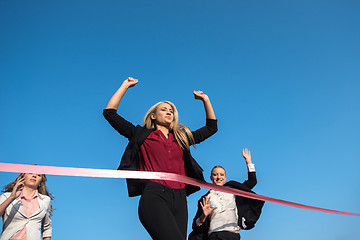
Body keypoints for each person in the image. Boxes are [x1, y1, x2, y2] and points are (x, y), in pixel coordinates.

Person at [103, 77, 217, 240]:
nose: (169, 111)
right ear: (153, 116)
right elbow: (110, 114)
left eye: (171, 110)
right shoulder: (141, 134)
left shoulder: (181, 138)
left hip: (180, 199)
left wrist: (205, 99)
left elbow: (212, 127)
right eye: (164, 109)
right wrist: (125, 86)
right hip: (154, 195)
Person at [189, 148, 264, 240]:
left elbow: (252, 182)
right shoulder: (206, 198)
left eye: (221, 174)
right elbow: (195, 225)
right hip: (215, 236)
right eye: (215, 175)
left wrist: (248, 161)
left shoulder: (234, 190)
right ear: (211, 178)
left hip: (233, 235)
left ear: (225, 177)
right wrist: (203, 216)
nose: (218, 177)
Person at [0, 172, 53, 240]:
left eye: (39, 175)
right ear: (23, 177)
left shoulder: (45, 200)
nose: (34, 176)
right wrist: (11, 198)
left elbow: (47, 229)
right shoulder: (6, 196)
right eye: (30, 173)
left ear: (40, 183)